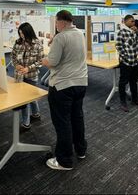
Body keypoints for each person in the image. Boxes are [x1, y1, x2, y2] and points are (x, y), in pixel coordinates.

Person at [42, 10, 87, 171]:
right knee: (77, 118)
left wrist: (42, 59)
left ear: (61, 22)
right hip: (81, 83)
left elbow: (52, 62)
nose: (55, 25)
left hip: (62, 86)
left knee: (62, 123)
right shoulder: (79, 34)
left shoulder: (61, 37)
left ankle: (65, 160)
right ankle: (81, 150)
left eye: (56, 22)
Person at [10, 23, 43, 130]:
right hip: (19, 76)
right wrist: (16, 65)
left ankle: (26, 123)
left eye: (23, 33)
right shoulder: (18, 43)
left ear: (28, 32)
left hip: (31, 75)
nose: (21, 35)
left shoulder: (37, 44)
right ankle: (36, 114)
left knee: (29, 98)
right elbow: (13, 56)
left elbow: (40, 61)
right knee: (26, 99)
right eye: (20, 33)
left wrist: (28, 68)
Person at [116, 15, 138, 112]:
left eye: (134, 21)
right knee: (123, 83)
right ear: (125, 22)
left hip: (135, 62)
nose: (133, 23)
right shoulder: (122, 32)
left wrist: (137, 32)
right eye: (131, 21)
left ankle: (135, 99)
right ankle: (123, 102)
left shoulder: (134, 31)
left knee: (134, 82)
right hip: (126, 62)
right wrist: (125, 57)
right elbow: (118, 46)